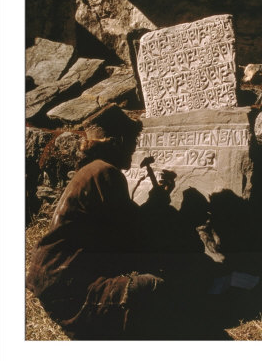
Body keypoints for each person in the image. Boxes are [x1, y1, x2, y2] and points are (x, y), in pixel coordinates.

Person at [27, 104, 173, 340]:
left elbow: (120, 224)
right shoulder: (106, 172)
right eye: (131, 143)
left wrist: (154, 203)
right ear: (116, 142)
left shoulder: (91, 171)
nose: (134, 150)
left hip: (54, 282)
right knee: (155, 287)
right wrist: (158, 208)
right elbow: (131, 237)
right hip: (70, 289)